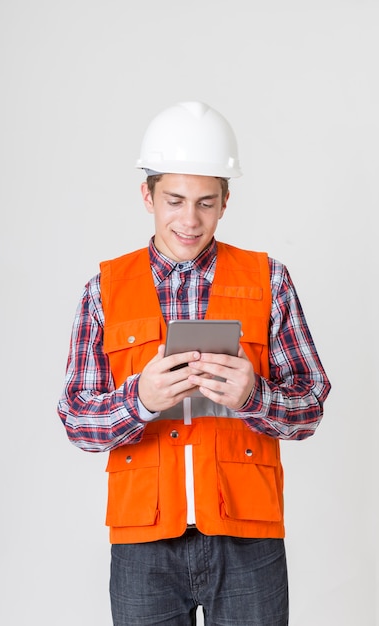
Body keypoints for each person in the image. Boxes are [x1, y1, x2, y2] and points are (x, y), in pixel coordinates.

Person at [58, 101, 331, 626]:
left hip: (247, 537)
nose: (189, 220)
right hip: (144, 545)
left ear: (226, 202)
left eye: (206, 202)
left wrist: (257, 398)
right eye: (175, 200)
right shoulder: (104, 292)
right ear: (147, 196)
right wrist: (138, 402)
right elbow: (76, 419)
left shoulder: (268, 281)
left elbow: (312, 403)